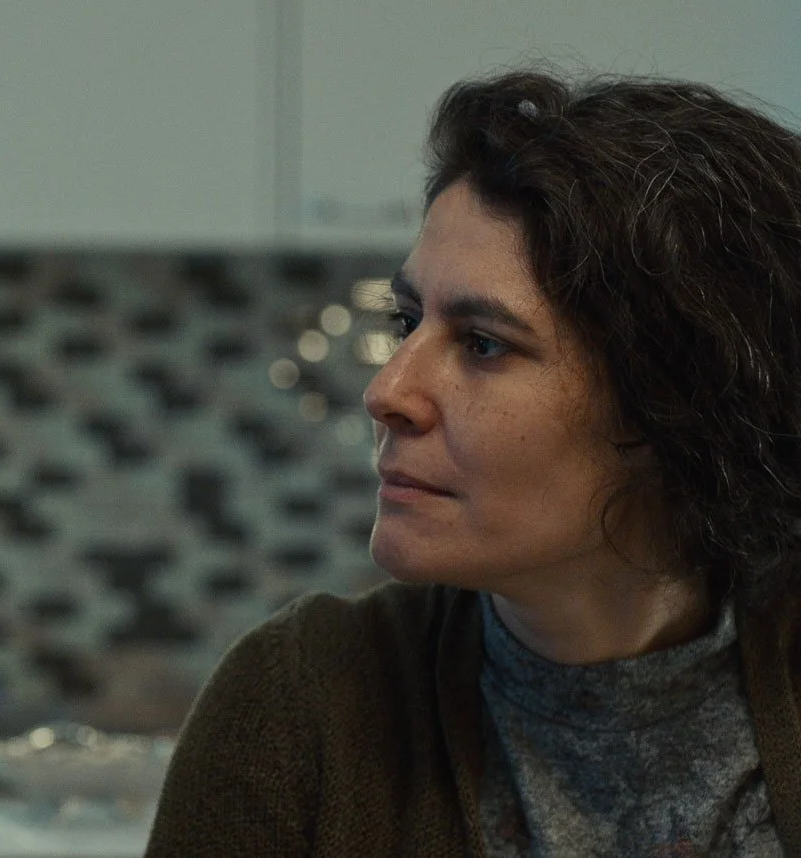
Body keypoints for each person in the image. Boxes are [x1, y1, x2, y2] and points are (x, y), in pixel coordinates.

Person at [146, 69, 801, 857]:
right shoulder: (301, 704)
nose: (388, 392)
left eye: (484, 344)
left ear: (679, 409)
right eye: (407, 321)